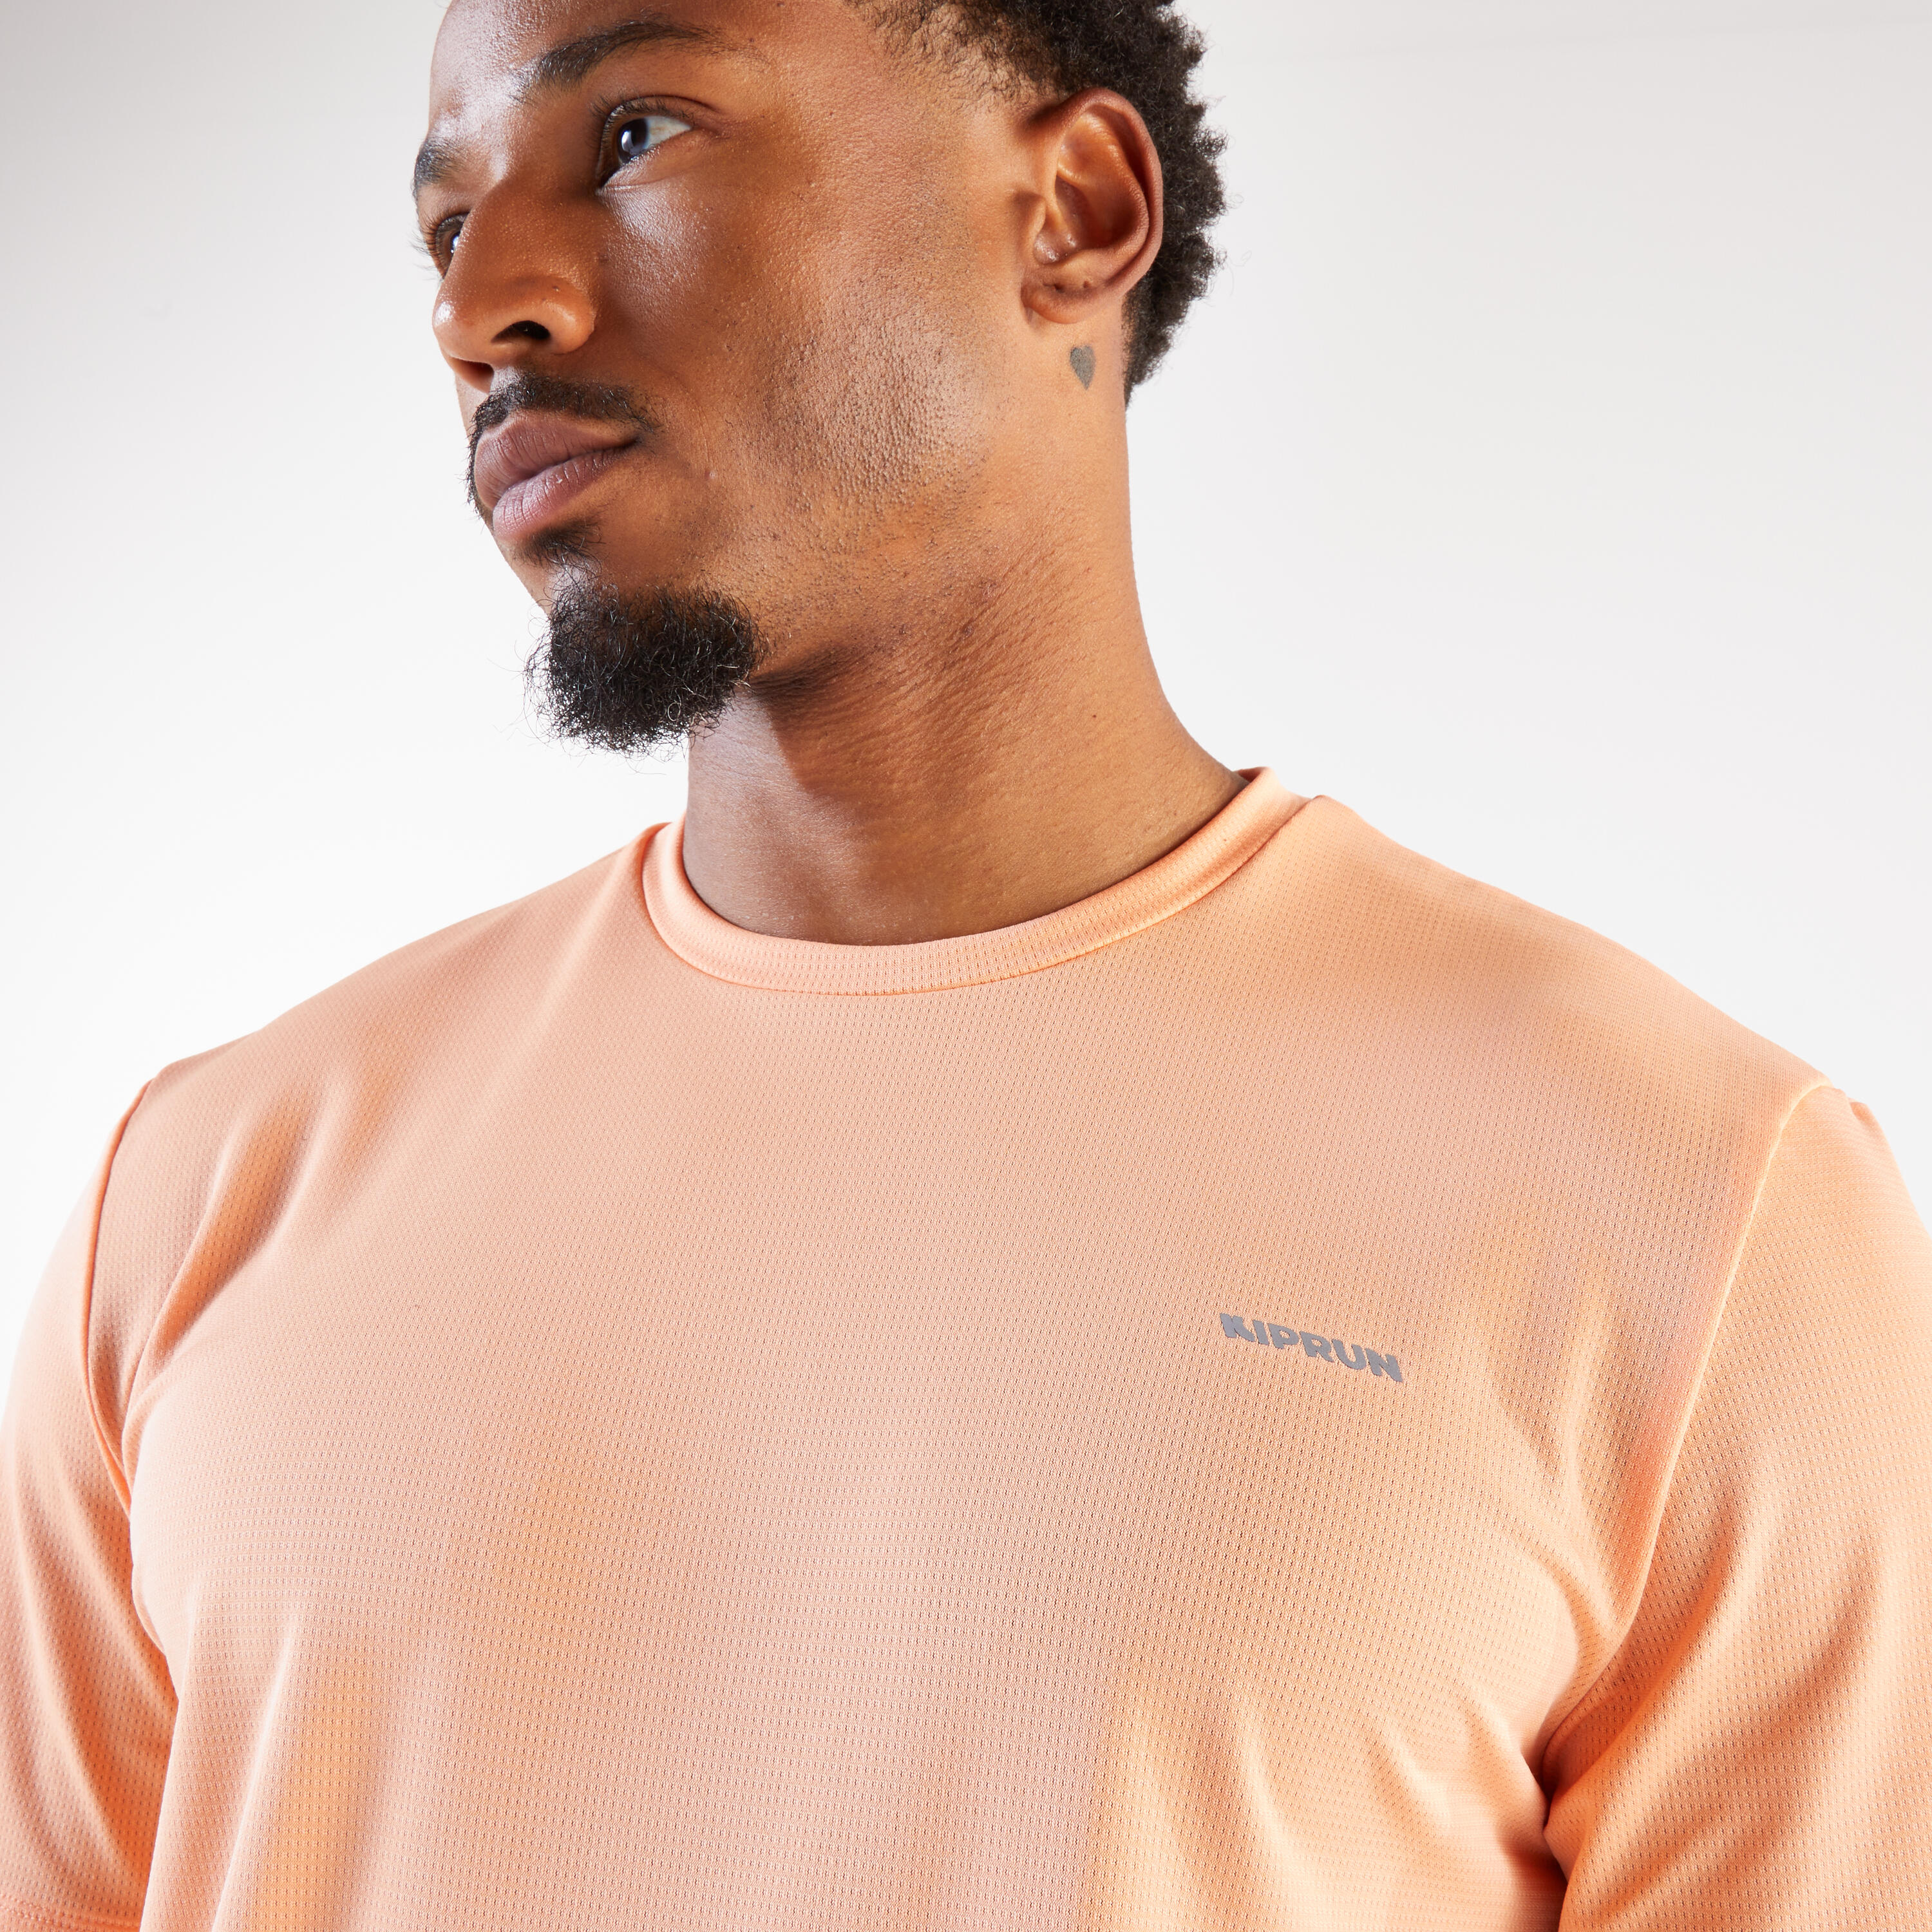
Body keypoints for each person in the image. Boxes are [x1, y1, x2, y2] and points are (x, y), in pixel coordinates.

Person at [3, 0, 1929, 1924]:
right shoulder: (201, 1197)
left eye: (638, 138)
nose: (481, 307)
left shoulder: (1698, 1207)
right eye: (444, 227)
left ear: (1073, 210)